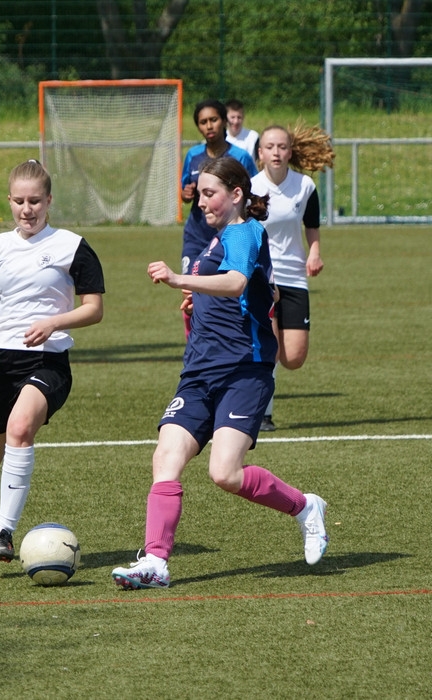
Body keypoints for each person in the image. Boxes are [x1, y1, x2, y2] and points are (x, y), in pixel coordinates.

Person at [111, 157, 328, 590]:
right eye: (200, 192)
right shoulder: (214, 241)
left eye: (209, 193)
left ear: (236, 194)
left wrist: (179, 280)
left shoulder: (244, 231)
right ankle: (156, 561)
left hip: (243, 371)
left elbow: (234, 283)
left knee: (224, 473)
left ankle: (305, 508)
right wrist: (197, 301)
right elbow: (241, 290)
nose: (201, 200)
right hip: (198, 372)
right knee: (165, 458)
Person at [0, 160, 105, 563]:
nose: (27, 209)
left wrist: (54, 322)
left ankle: (4, 531)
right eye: (19, 201)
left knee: (20, 428)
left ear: (49, 201)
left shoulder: (72, 246)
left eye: (35, 200)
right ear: (9, 201)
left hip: (48, 362)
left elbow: (94, 309)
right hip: (0, 365)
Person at [252, 125, 329, 432]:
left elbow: (312, 224)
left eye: (282, 147)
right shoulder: (250, 188)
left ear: (290, 151)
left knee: (293, 357)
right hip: (263, 279)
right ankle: (261, 414)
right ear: (260, 153)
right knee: (268, 349)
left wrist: (314, 253)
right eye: (270, 147)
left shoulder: (305, 186)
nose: (276, 152)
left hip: (295, 278)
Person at [180, 100, 257, 336]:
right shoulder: (193, 155)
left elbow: (252, 193)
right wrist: (186, 193)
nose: (209, 126)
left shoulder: (240, 156)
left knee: (229, 287)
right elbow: (184, 190)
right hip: (196, 236)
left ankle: (229, 337)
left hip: (228, 235)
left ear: (223, 120)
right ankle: (194, 341)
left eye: (213, 119)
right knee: (190, 290)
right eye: (203, 122)